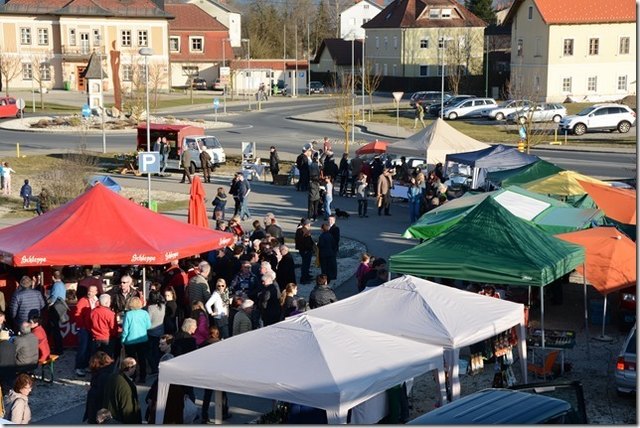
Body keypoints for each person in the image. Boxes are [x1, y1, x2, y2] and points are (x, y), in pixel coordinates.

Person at [121, 297, 151, 384]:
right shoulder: (145, 313)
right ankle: (143, 377)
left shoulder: (128, 314)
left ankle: (132, 376)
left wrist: (122, 340)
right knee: (142, 359)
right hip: (142, 339)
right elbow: (148, 326)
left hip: (130, 341)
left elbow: (125, 329)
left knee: (131, 360)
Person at [103, 357, 142, 424]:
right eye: (135, 367)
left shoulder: (113, 377)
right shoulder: (126, 385)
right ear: (130, 368)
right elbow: (127, 409)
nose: (136, 369)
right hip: (119, 420)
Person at [83, 351, 115, 424]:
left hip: (98, 410)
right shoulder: (108, 371)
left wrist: (90, 389)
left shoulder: (102, 375)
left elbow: (101, 393)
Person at [74, 284, 99, 377]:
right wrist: (81, 325)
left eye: (92, 291)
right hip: (84, 328)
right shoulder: (83, 300)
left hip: (92, 328)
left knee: (90, 348)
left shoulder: (97, 301)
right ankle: (79, 367)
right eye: (89, 290)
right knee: (82, 348)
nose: (89, 292)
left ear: (96, 292)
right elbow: (77, 314)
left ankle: (86, 365)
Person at [145, 290, 165, 374]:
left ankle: (154, 368)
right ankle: (158, 366)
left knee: (150, 352)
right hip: (160, 330)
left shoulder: (150, 308)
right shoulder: (163, 306)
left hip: (151, 331)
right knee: (157, 351)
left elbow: (148, 320)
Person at [46, 271, 66, 355]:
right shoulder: (62, 284)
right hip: (60, 307)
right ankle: (58, 348)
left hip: (55, 308)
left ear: (53, 277)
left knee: (55, 329)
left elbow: (53, 297)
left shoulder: (56, 285)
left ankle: (58, 349)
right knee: (56, 329)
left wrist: (47, 302)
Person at [295, 219, 315, 284]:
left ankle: (306, 275)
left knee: (306, 263)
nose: (310, 225)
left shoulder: (301, 230)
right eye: (309, 223)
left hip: (304, 250)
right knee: (305, 264)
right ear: (306, 224)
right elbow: (305, 242)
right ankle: (304, 278)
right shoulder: (304, 231)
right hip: (306, 250)